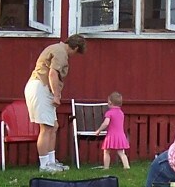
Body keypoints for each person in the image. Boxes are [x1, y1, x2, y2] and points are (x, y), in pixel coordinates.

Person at [24, 34, 86, 173]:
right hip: (41, 87)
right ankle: (44, 165)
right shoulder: (61, 53)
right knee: (46, 127)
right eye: (76, 53)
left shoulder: (55, 48)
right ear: (75, 47)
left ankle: (51, 162)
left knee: (53, 126)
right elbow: (52, 74)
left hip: (43, 88)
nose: (74, 56)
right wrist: (57, 95)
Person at [95, 91, 130, 170]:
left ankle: (106, 167)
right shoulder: (121, 113)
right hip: (121, 135)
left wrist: (99, 130)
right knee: (121, 152)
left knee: (106, 151)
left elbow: (106, 123)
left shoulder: (109, 113)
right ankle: (126, 166)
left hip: (111, 135)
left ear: (110, 103)